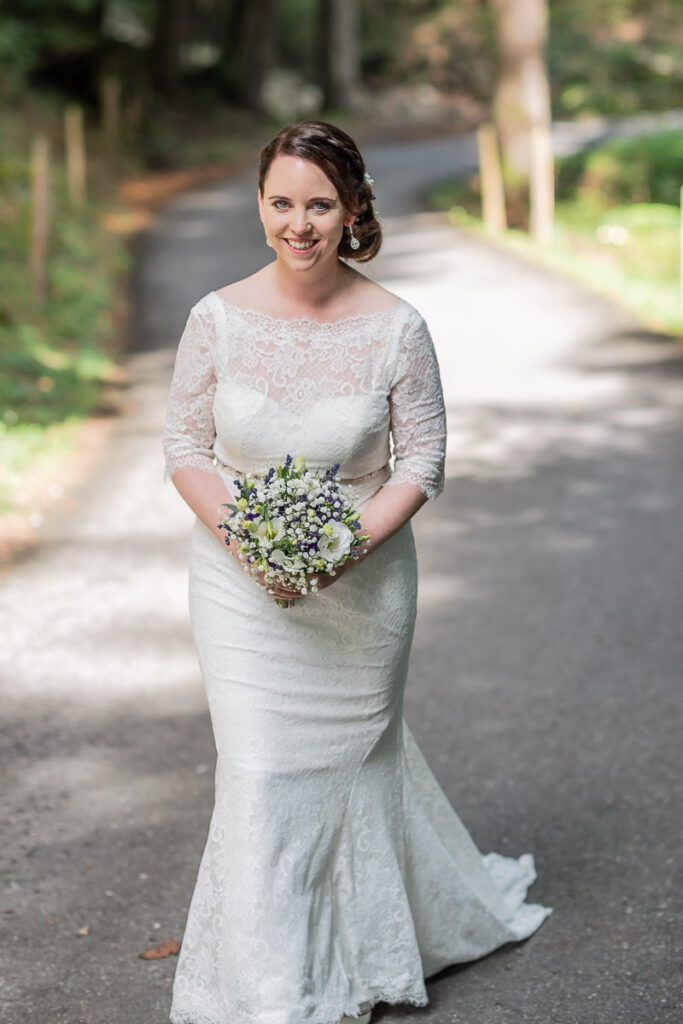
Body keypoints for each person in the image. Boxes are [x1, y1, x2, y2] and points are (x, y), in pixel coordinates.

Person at [162, 120, 551, 1024]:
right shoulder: (215, 319)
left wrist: (336, 550)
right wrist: (257, 546)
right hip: (237, 581)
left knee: (351, 766)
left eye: (320, 205)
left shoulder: (396, 329)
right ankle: (274, 992)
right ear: (260, 205)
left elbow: (421, 461)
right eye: (282, 202)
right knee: (260, 770)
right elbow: (185, 447)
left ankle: (373, 942)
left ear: (353, 211)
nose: (299, 224)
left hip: (367, 586)